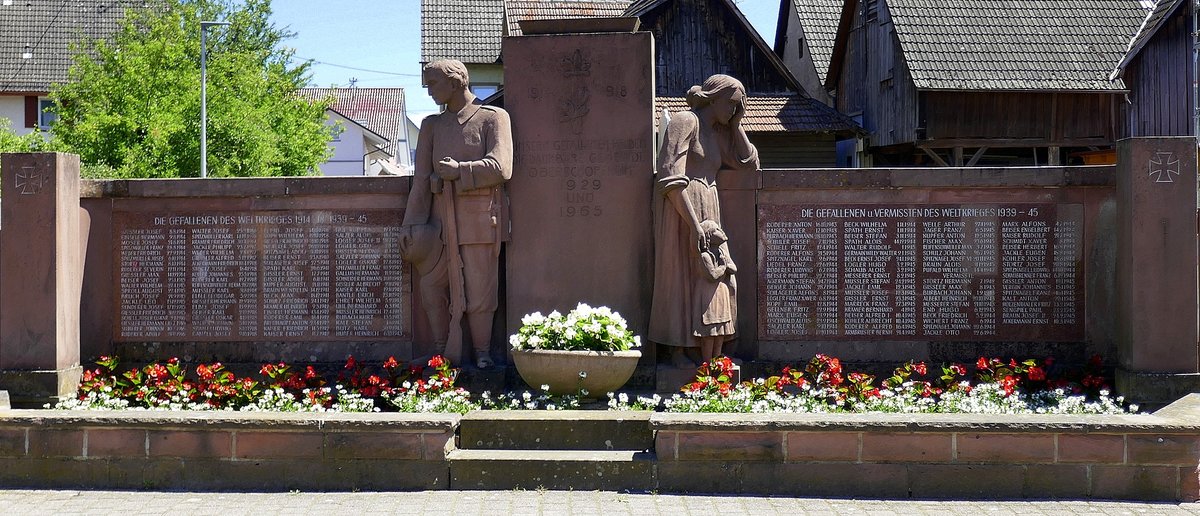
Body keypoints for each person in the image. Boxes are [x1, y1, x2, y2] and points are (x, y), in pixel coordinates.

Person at [400, 59, 512, 369]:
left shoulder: (492, 117)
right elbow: (421, 180)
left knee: (480, 291)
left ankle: (482, 354)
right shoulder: (432, 126)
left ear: (456, 82)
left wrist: (459, 172)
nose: (429, 91)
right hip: (439, 224)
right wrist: (411, 223)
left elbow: (502, 167)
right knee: (431, 286)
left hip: (479, 222)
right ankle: (441, 351)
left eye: (433, 84)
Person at [649, 74, 759, 367]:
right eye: (733, 104)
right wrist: (694, 224)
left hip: (709, 204)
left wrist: (737, 126)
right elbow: (669, 175)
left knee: (714, 279)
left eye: (740, 107)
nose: (735, 110)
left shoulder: (719, 133)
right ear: (714, 97)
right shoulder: (686, 121)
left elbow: (749, 164)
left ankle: (709, 349)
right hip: (680, 207)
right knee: (681, 277)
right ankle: (679, 350)